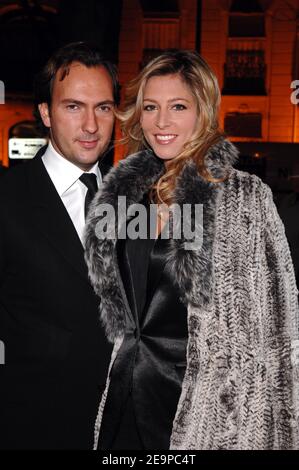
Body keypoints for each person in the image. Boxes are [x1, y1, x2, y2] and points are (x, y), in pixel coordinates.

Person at [84, 50, 299, 450]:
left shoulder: (244, 199)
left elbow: (277, 337)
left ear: (203, 111)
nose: (161, 122)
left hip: (207, 413)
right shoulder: (127, 200)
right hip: (125, 404)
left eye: (178, 106)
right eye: (151, 107)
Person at [0, 41, 119, 449]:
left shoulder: (138, 199)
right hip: (34, 427)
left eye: (103, 107)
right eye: (73, 107)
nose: (90, 125)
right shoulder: (7, 198)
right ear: (46, 113)